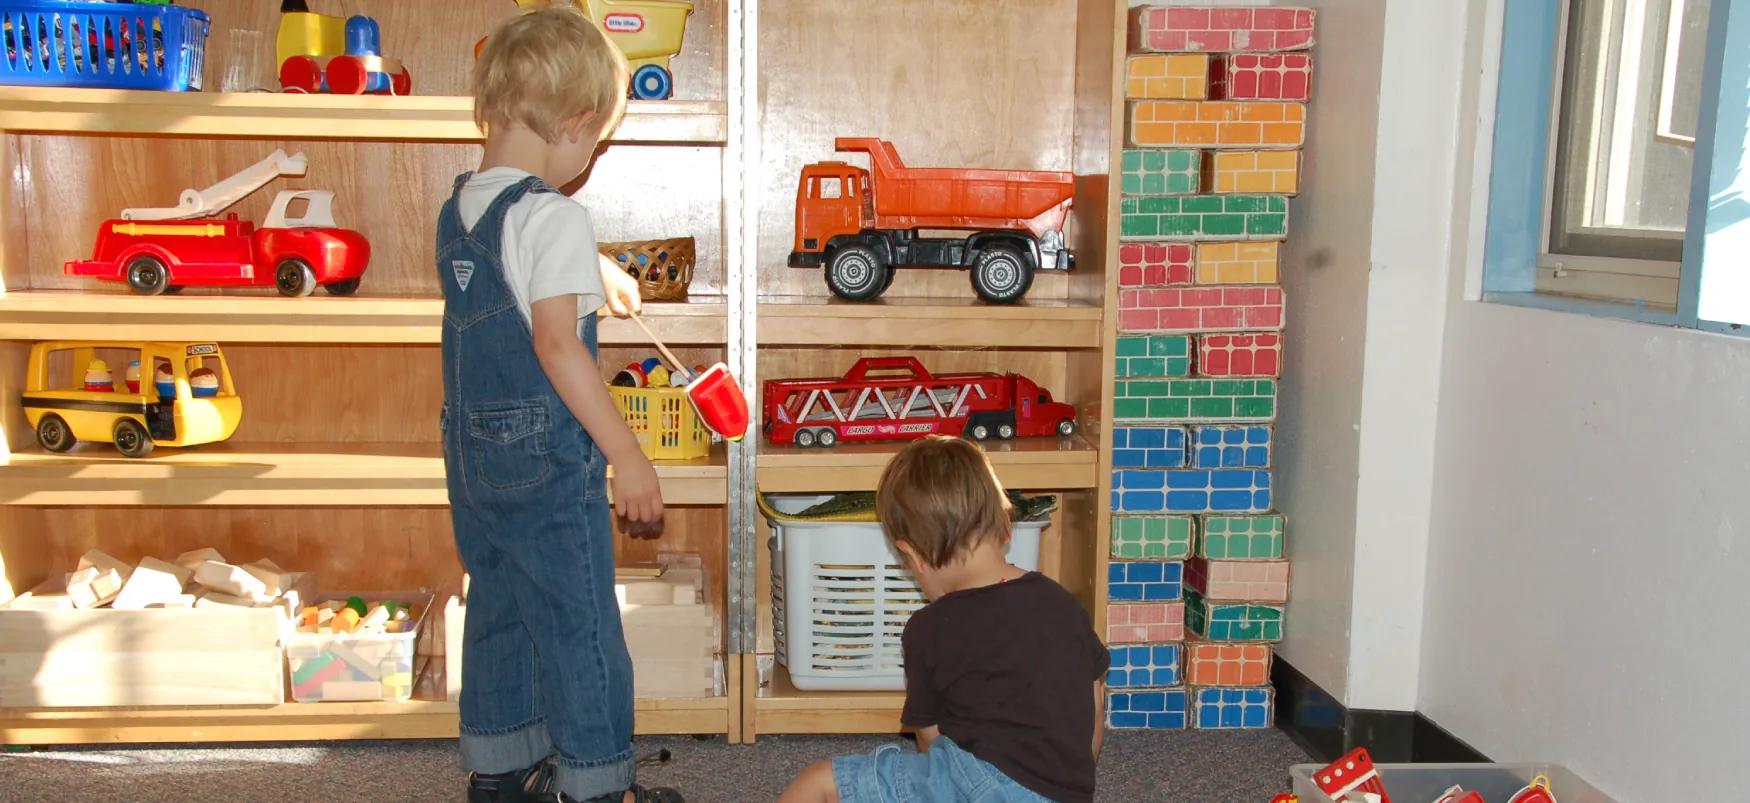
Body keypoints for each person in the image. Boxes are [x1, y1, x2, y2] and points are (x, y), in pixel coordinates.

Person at [440, 7, 680, 803]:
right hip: (544, 461)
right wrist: (628, 454)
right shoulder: (556, 214)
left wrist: (592, 272)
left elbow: (512, 276)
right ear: (574, 127)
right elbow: (555, 344)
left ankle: (503, 773)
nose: (590, 159)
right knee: (581, 626)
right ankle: (599, 785)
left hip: (474, 460)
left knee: (501, 607)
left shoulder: (463, 205)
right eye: (598, 144)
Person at [779, 436, 1110, 803]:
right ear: (1006, 524)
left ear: (912, 556)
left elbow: (930, 738)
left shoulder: (929, 627)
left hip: (979, 787)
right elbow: (1092, 707)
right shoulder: (1063, 604)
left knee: (820, 782)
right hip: (1066, 793)